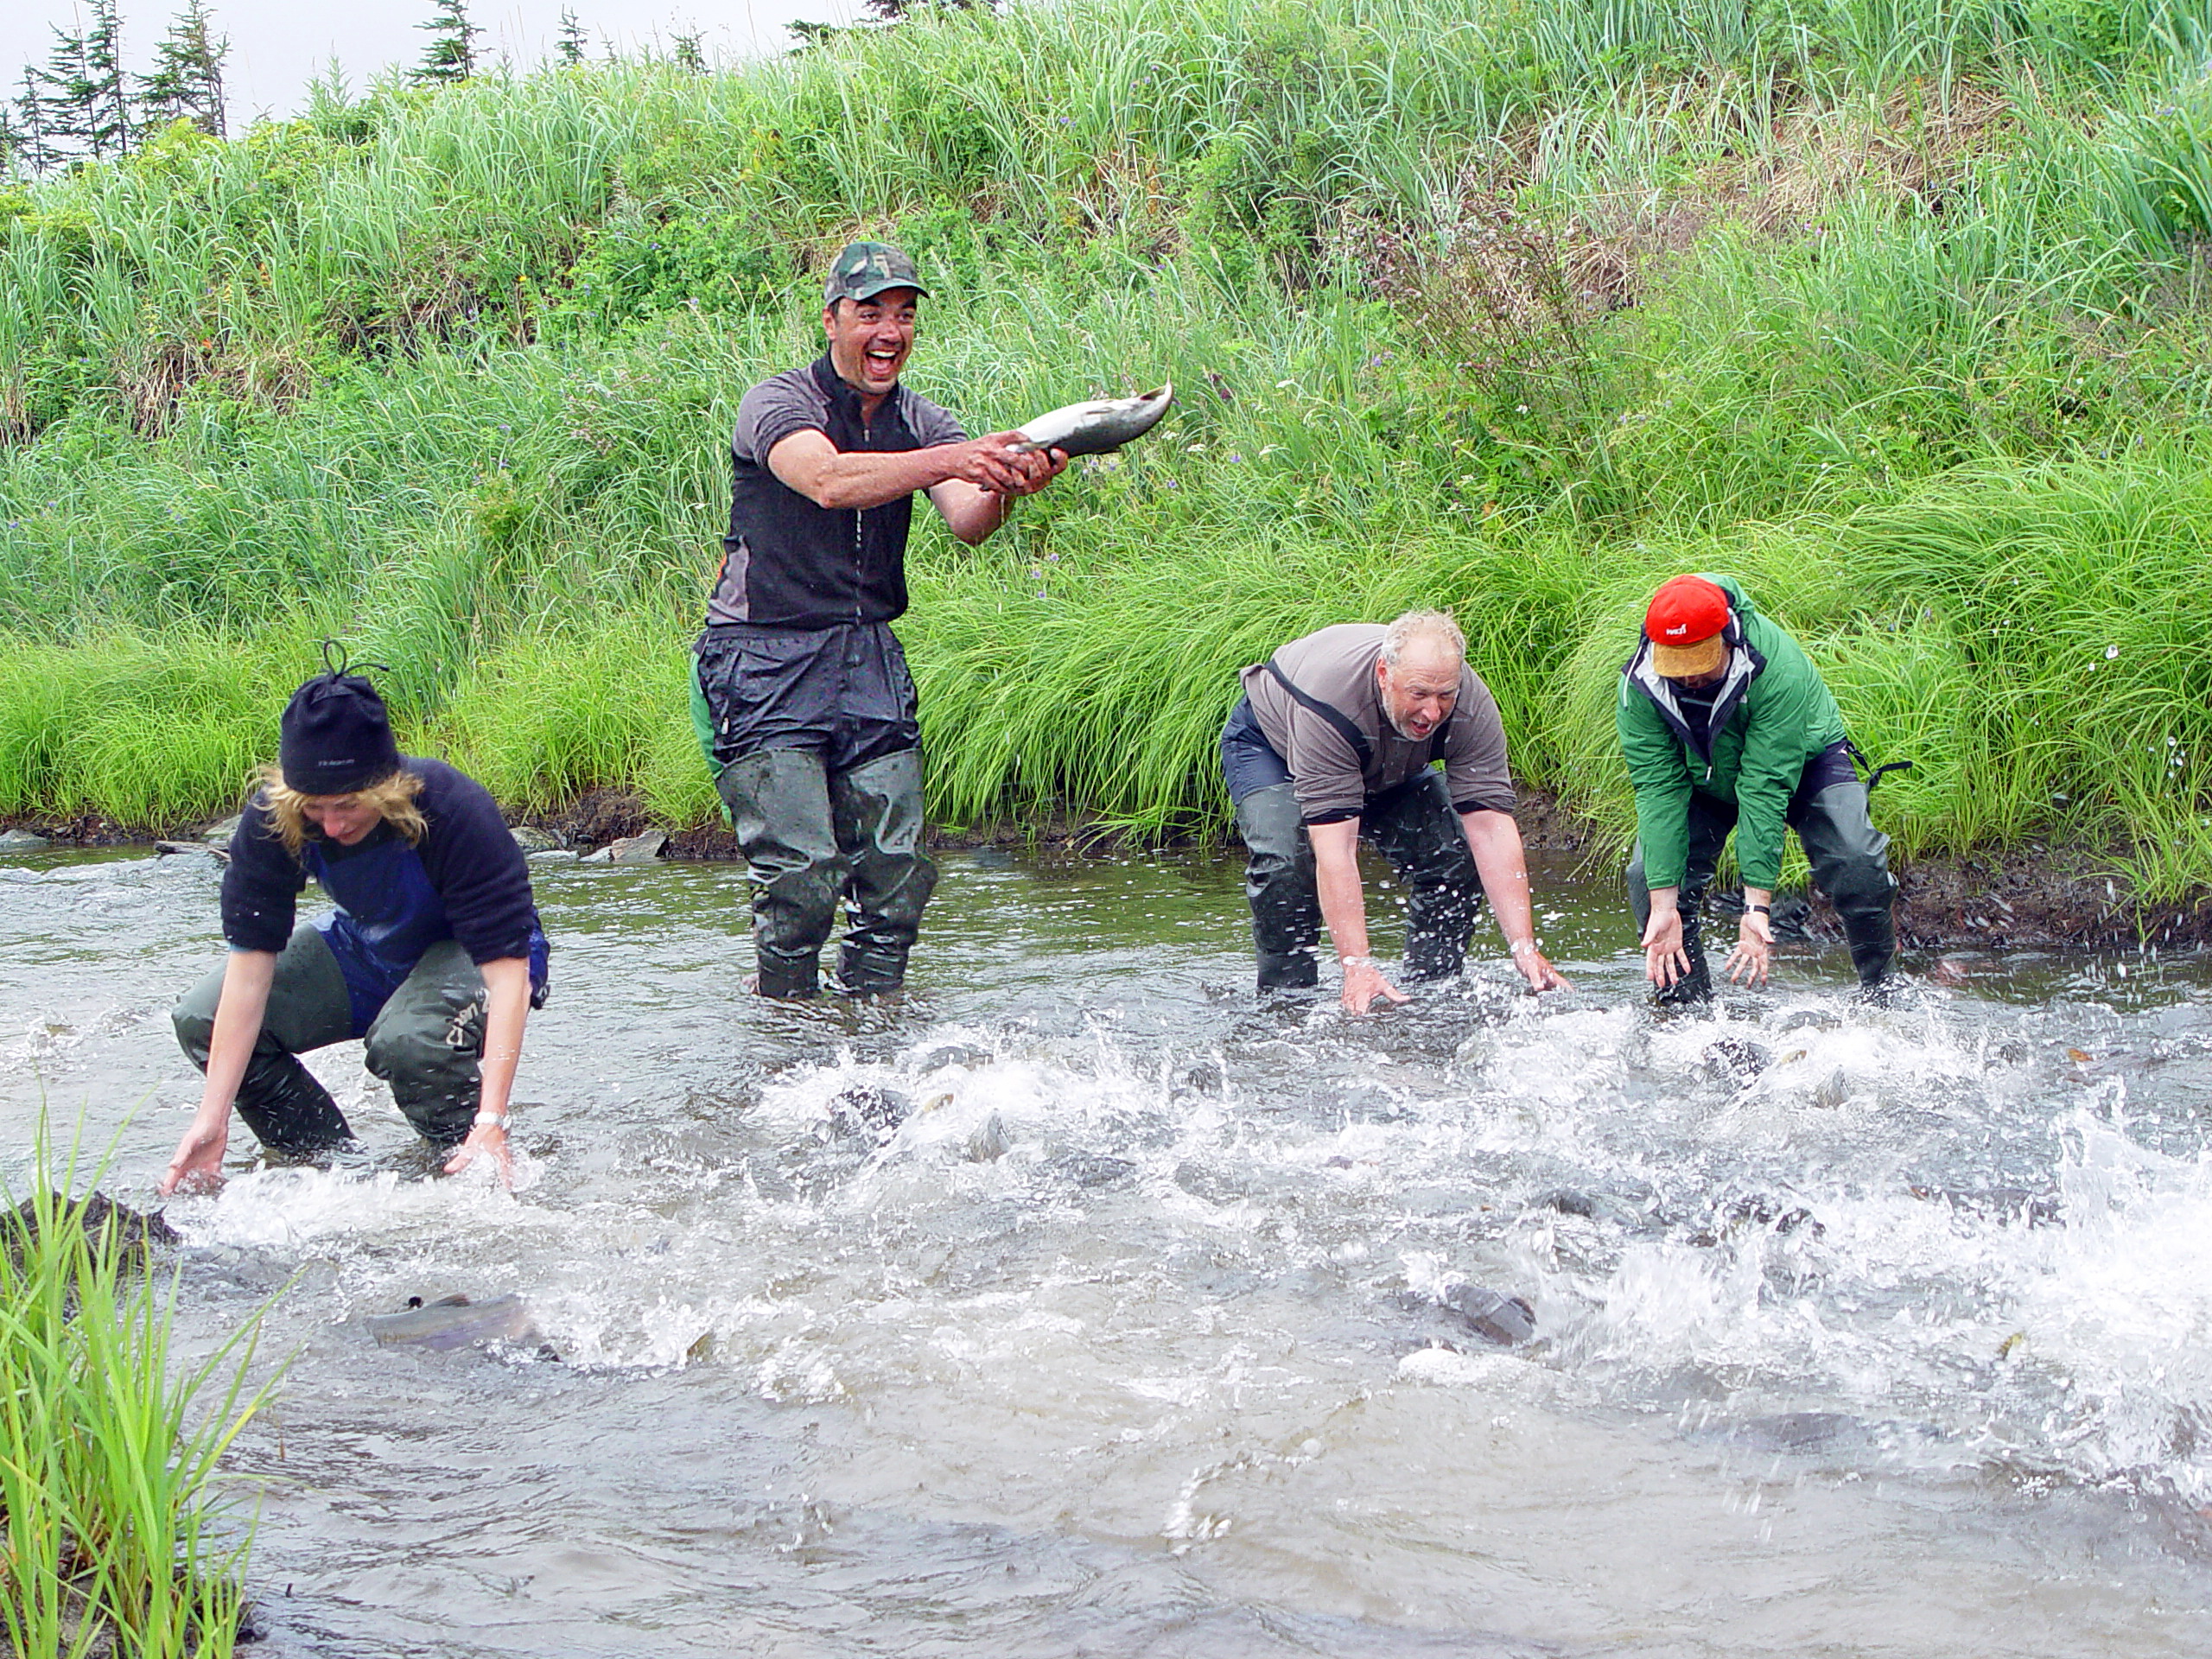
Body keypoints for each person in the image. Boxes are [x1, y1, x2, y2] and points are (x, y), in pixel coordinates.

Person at [690, 241, 1067, 999]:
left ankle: (873, 1037)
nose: (888, 331)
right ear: (831, 321)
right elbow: (826, 480)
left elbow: (966, 520)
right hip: (761, 659)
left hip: (868, 657)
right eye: (870, 314)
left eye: (903, 315)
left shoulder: (924, 420)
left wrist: (1010, 485)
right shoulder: (777, 402)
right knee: (801, 881)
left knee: (896, 881)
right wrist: (954, 459)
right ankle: (786, 1048)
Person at [159, 652, 550, 1194]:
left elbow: (508, 975)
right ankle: (329, 1171)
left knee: (409, 1041)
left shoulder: (454, 807)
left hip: (477, 954)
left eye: (348, 806)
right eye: (315, 808)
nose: (333, 824)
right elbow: (249, 974)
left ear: (386, 788)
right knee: (200, 1018)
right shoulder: (273, 820)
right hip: (368, 947)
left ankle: (472, 1169)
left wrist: (493, 1120)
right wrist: (213, 1116)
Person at [1220, 610, 1569, 1013]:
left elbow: (1490, 826)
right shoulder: (1331, 700)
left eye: (1444, 697)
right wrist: (1357, 964)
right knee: (1287, 864)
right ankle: (1286, 1006)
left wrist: (1524, 947)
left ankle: (1429, 997)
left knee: (1454, 857)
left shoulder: (1470, 704)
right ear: (1385, 674)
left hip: (1387, 754)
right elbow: (1336, 849)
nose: (1433, 713)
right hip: (1273, 745)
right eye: (1418, 694)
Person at [1618, 573, 1897, 999]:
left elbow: (1763, 786)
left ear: (1727, 636)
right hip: (1704, 773)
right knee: (1647, 878)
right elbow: (1658, 790)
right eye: (1678, 666)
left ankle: (1883, 992)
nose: (1689, 678)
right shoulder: (1639, 685)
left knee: (1857, 860)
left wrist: (1755, 907)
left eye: (1700, 662)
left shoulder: (1777, 666)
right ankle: (1686, 1018)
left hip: (1805, 758)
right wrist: (1663, 905)